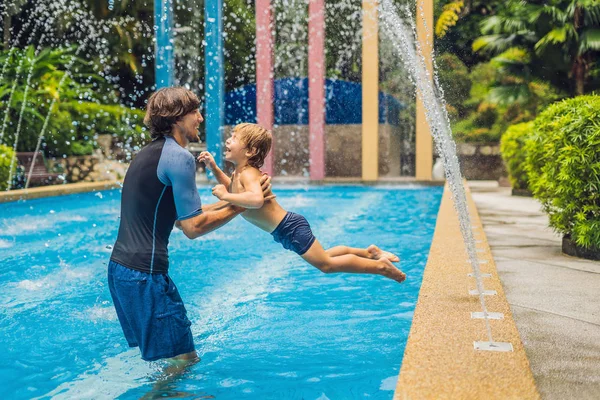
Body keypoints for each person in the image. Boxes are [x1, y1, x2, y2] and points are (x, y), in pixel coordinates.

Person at [107, 88, 273, 364]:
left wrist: (236, 202)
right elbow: (193, 227)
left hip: (122, 271)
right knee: (183, 362)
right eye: (194, 112)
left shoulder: (150, 153)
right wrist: (243, 205)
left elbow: (176, 215)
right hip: (144, 276)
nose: (199, 117)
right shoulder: (180, 157)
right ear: (176, 119)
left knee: (175, 361)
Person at [198, 123, 406, 283]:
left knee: (326, 264)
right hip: (283, 230)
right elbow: (236, 189)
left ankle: (380, 267)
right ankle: (368, 253)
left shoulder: (250, 173)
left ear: (250, 151)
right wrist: (215, 168)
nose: (228, 141)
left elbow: (255, 199)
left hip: (289, 227)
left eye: (234, 138)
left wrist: (225, 196)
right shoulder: (240, 173)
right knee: (325, 255)